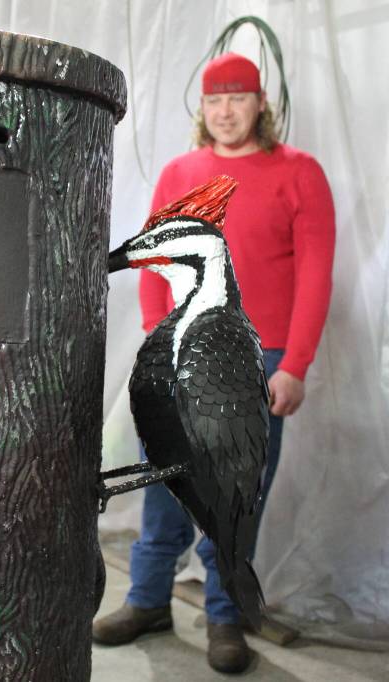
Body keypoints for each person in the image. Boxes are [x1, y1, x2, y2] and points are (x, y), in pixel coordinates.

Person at [93, 52, 336, 674]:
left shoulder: (299, 173)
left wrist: (295, 365)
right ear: (202, 109)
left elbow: (314, 275)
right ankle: (147, 599)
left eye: (238, 98)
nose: (225, 110)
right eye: (214, 100)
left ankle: (226, 616)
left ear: (261, 105)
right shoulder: (182, 172)